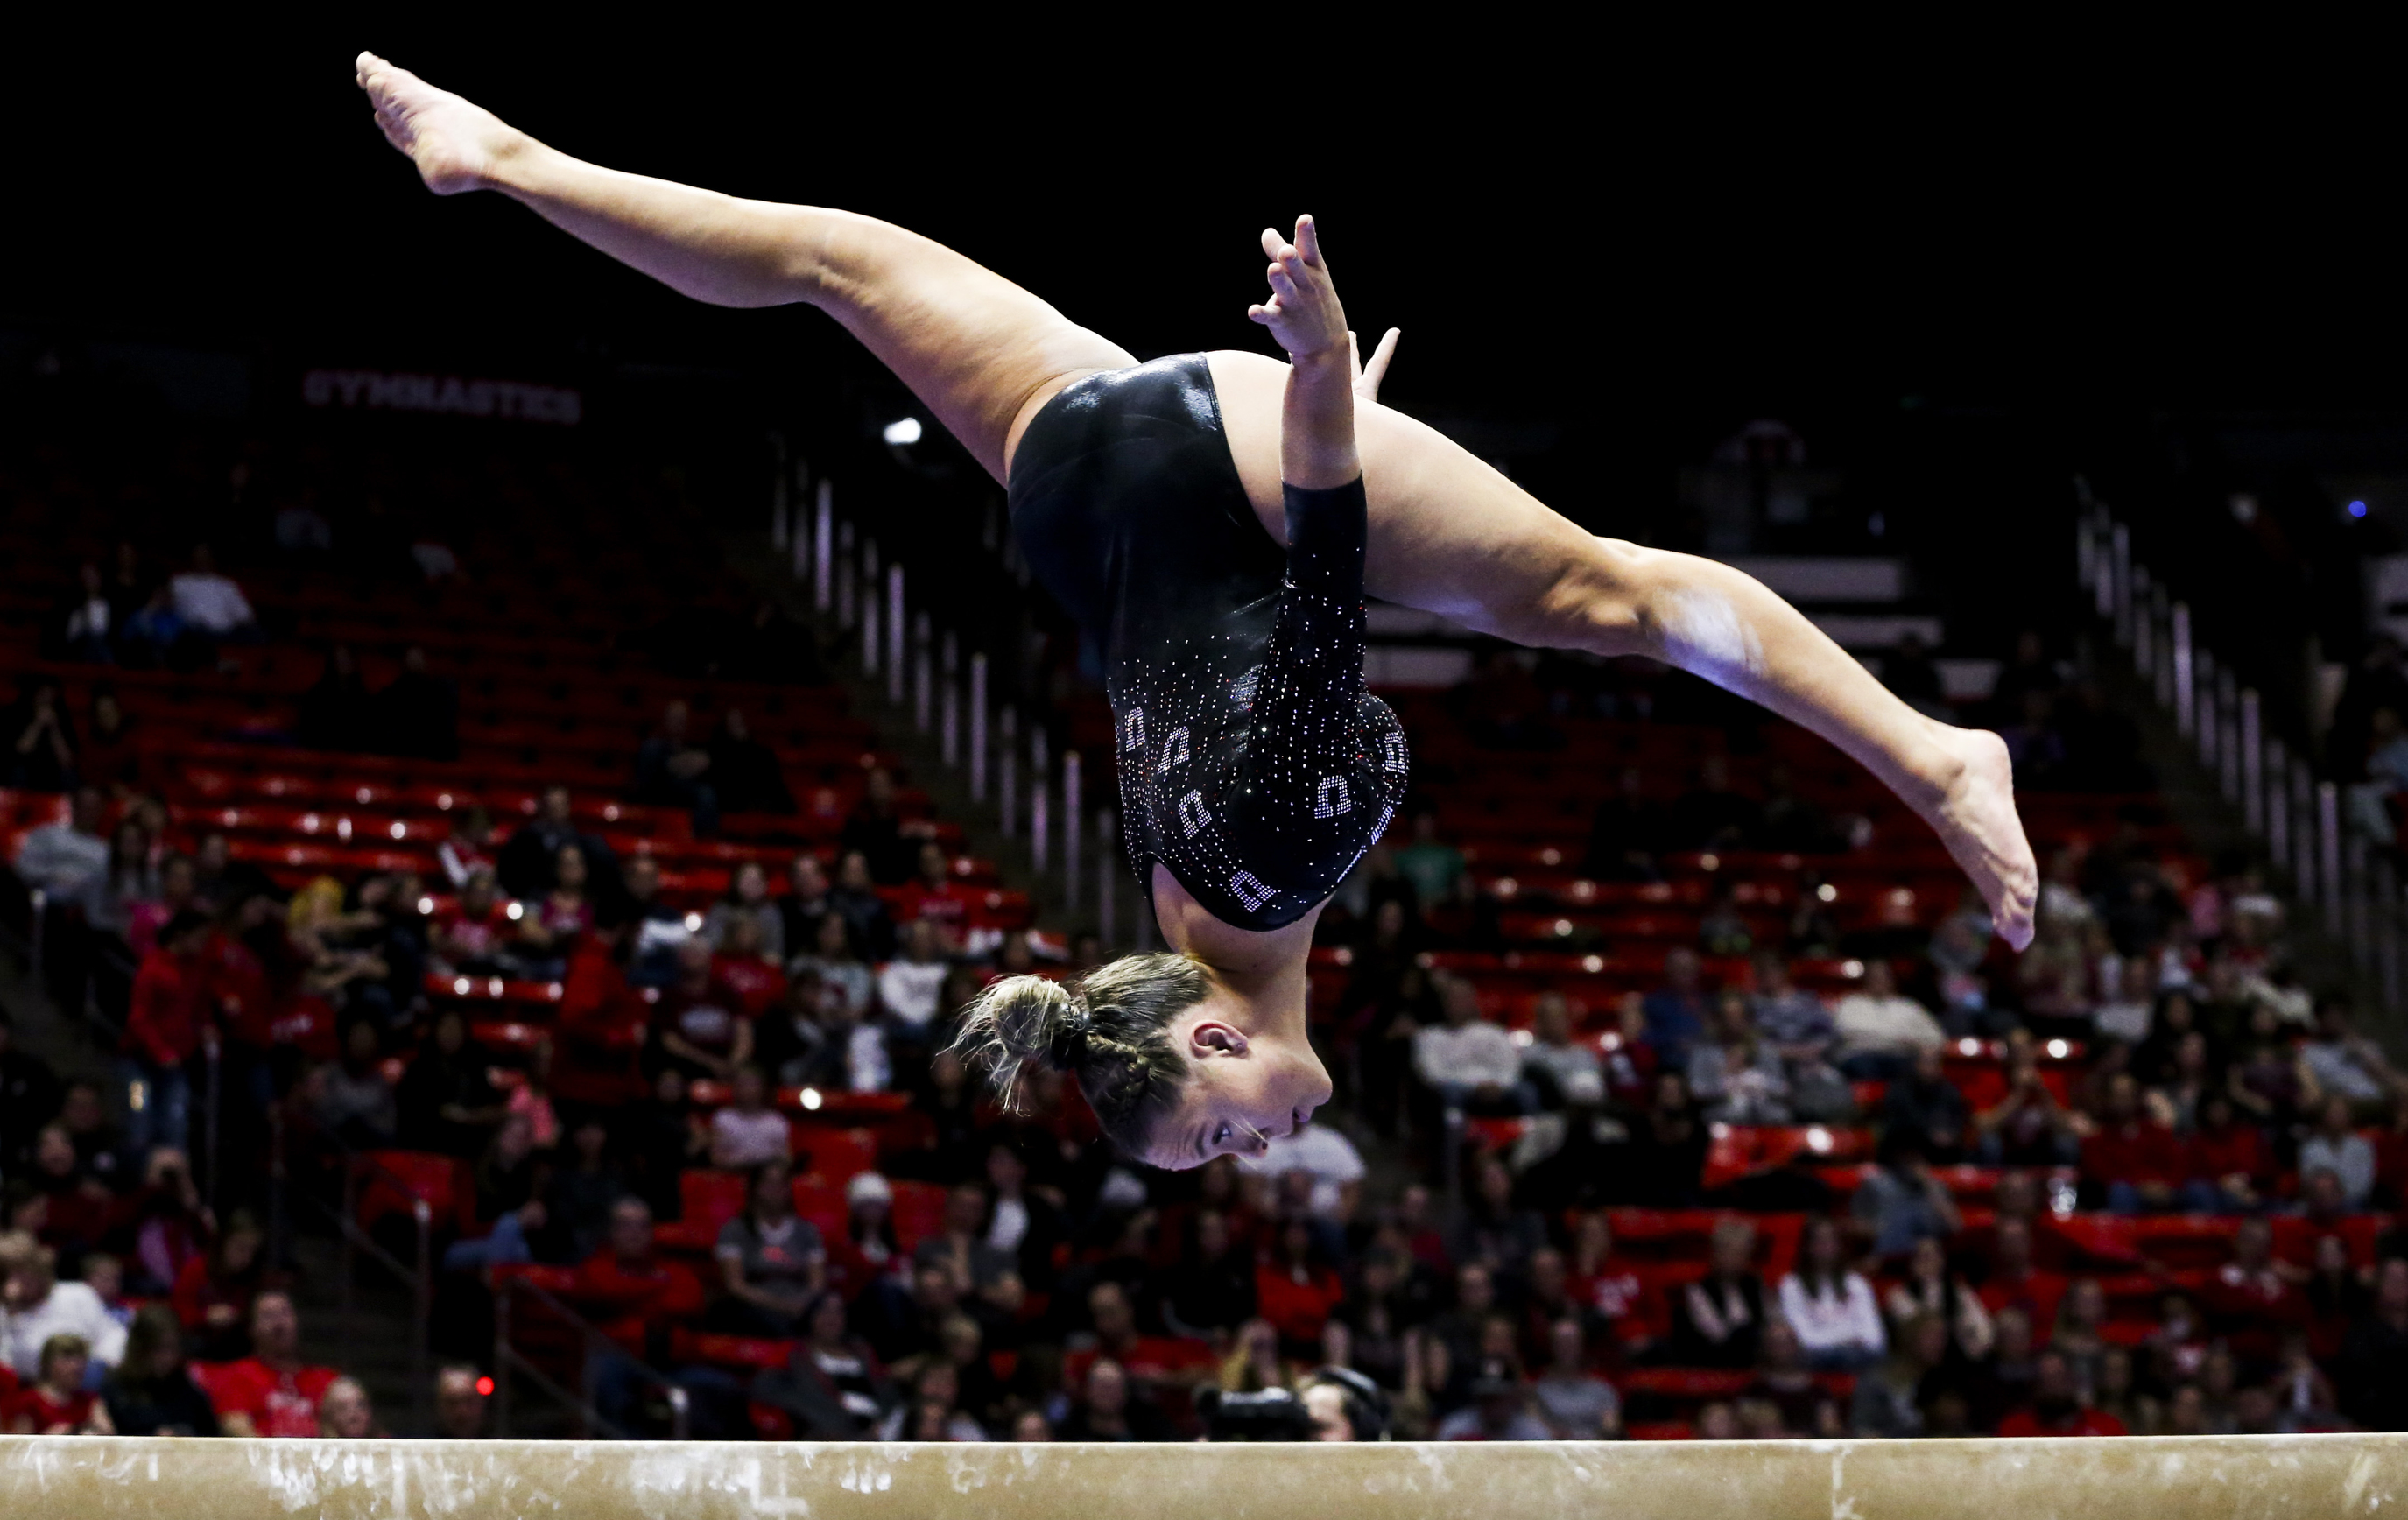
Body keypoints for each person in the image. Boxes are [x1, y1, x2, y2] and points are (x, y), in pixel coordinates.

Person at [360, 53, 2038, 1169]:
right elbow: (1266, 636)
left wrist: (1318, 383)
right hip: (1079, 503)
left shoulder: (1265, 855)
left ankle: (1933, 754)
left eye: (1222, 1135)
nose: (1258, 1156)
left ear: (1220, 1032)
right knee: (834, 266)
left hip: (1219, 467)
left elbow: (1322, 571)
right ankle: (504, 159)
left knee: (1613, 595)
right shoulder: (1177, 914)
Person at [710, 1158, 826, 1337]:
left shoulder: (807, 1232)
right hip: (756, 1307)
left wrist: (801, 1304)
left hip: (800, 1306)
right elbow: (736, 1285)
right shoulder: (734, 1230)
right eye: (768, 1183)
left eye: (781, 1184)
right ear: (754, 1189)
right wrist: (782, 1306)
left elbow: (817, 1282)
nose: (775, 1190)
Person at [208, 1291, 341, 1439]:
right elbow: (237, 1430)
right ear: (251, 1329)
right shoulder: (236, 1376)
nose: (279, 1324)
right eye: (268, 1316)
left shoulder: (326, 1380)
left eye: (285, 1313)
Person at [0, 1234, 127, 1376]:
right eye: (9, 1274)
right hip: (39, 1387)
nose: (20, 1281)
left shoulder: (78, 1293)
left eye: (26, 1272)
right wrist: (12, 1311)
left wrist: (103, 1364)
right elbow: (15, 1363)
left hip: (90, 1374)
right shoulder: (7, 1314)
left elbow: (111, 1334)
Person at [1778, 1216, 1885, 1371]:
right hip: (1814, 1356)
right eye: (1820, 1240)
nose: (1826, 1246)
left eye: (1832, 1240)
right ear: (1807, 1246)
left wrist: (1845, 1343)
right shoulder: (1791, 1285)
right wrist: (1847, 1339)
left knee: (1874, 1357)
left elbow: (1875, 1338)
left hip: (1857, 1357)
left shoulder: (1857, 1283)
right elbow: (1802, 1338)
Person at [102, 1304, 220, 1437]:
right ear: (139, 1348)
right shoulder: (116, 1391)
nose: (168, 1358)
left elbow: (211, 1439)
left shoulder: (190, 1393)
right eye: (159, 1349)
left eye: (173, 1348)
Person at [2, 1334, 113, 1435]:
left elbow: (109, 1434)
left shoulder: (90, 1400)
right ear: (48, 1363)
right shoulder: (28, 1402)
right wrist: (48, 1439)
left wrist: (85, 1431)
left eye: (81, 1359)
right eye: (67, 1358)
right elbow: (20, 1446)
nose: (76, 1366)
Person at [433, 1363, 490, 1439]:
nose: (462, 1412)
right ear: (439, 1405)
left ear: (481, 1403)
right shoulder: (422, 1447)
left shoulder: (500, 1443)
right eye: (452, 1402)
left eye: (469, 1401)